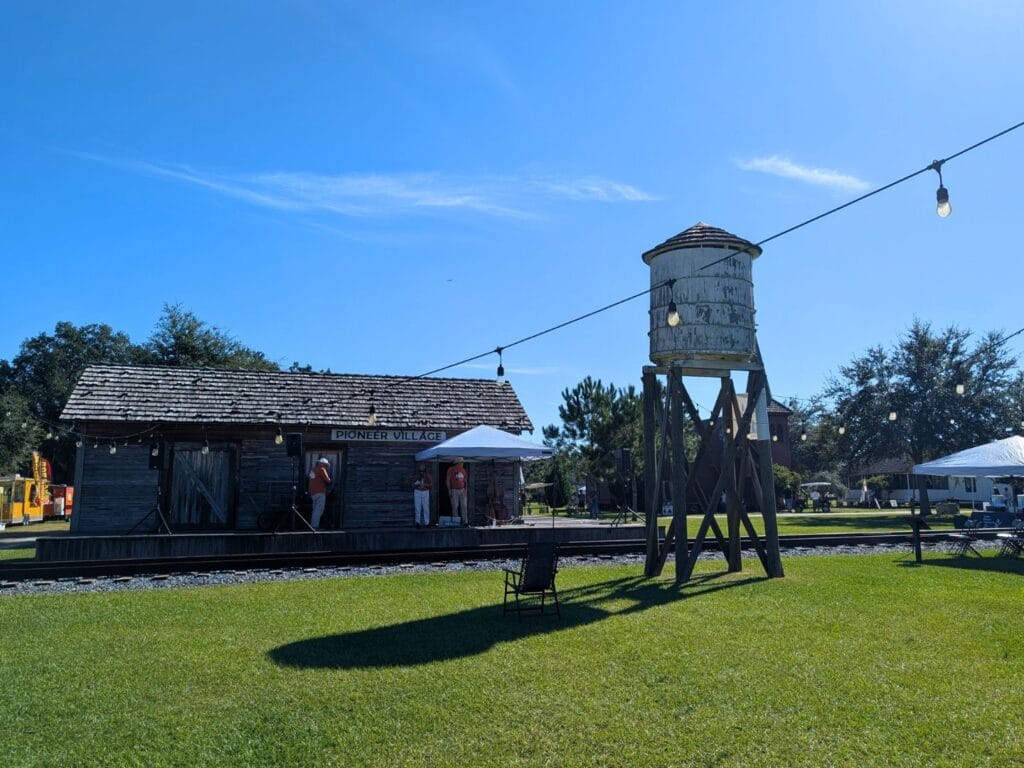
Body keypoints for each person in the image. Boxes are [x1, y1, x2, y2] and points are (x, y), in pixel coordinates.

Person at [309, 457, 331, 529]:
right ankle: (314, 526)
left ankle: (312, 525)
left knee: (315, 509)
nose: (327, 466)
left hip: (313, 493)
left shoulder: (313, 470)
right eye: (326, 464)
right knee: (319, 510)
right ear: (323, 464)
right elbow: (328, 480)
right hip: (320, 492)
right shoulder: (322, 469)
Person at [446, 458, 469, 525]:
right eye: (462, 462)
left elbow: (465, 481)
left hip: (462, 490)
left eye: (463, 462)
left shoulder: (463, 470)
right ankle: (456, 522)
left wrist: (466, 490)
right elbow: (448, 480)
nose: (463, 463)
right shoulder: (451, 469)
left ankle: (465, 522)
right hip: (454, 490)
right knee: (455, 506)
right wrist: (449, 490)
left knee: (464, 506)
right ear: (458, 463)